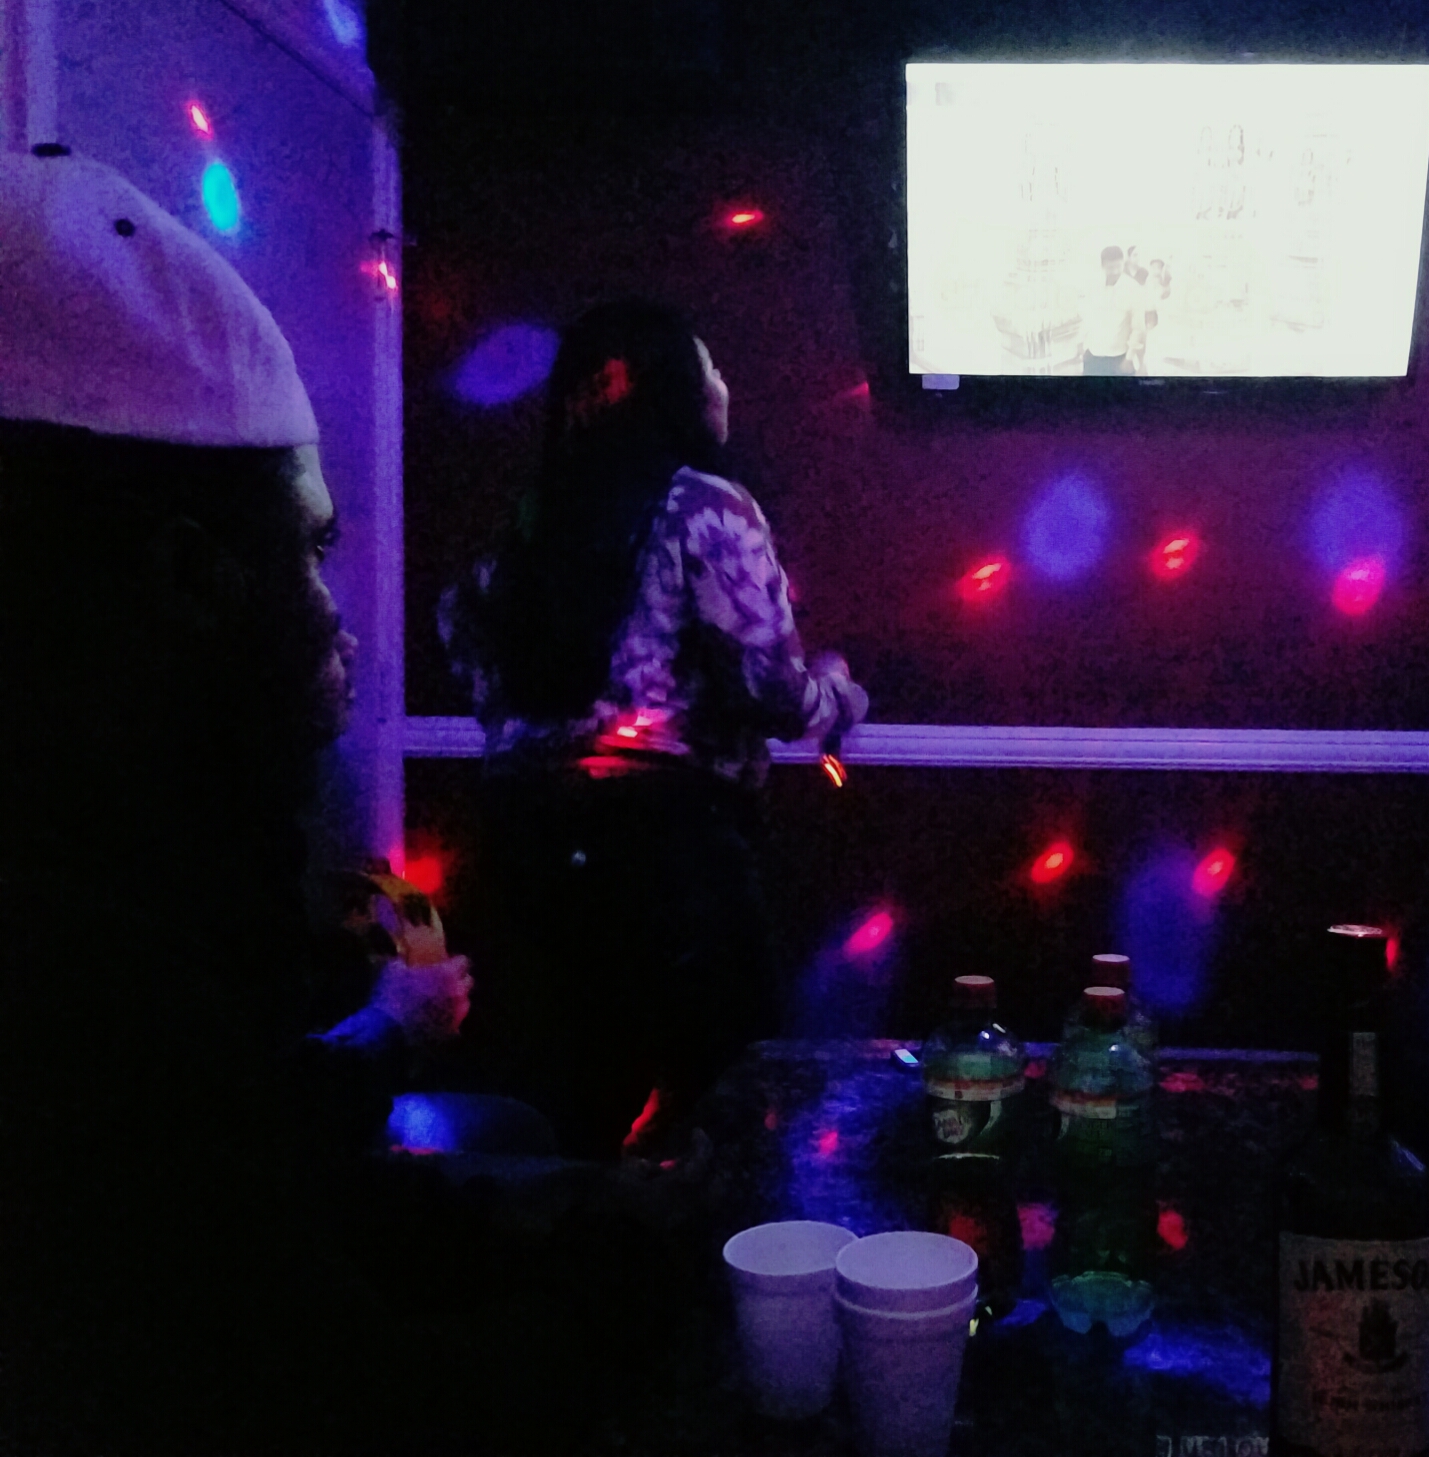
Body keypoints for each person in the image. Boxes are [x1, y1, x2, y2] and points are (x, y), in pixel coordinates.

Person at [0, 148, 683, 1457]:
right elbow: (350, 1403)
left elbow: (248, 1193)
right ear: (192, 580)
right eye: (310, 549)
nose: (334, 615)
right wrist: (635, 1279)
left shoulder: (150, 866)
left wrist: (558, 1214)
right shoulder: (81, 969)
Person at [441, 300, 867, 1162]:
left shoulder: (530, 520)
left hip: (525, 855)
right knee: (725, 1122)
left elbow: (463, 634)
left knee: (559, 1126)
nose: (725, 384)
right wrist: (840, 694)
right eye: (709, 367)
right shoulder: (705, 504)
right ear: (676, 391)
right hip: (672, 857)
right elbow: (771, 692)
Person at [1082, 244, 1149, 374]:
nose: (1115, 272)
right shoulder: (1093, 286)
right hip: (1093, 355)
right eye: (1110, 268)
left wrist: (1129, 358)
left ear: (1123, 263)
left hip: (1119, 359)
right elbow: (1088, 318)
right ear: (1102, 266)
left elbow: (1138, 328)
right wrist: (1081, 344)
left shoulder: (1133, 289)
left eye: (1119, 266)